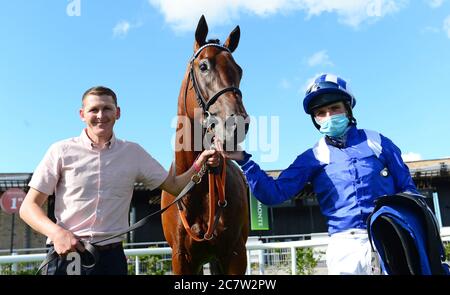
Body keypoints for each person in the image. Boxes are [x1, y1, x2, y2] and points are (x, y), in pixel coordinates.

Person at [221, 73, 419, 275]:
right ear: (315, 119)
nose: (329, 116)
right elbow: (274, 193)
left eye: (335, 108)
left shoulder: (378, 142)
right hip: (344, 248)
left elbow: (409, 191)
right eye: (321, 112)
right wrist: (244, 160)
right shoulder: (313, 156)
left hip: (389, 238)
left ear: (348, 109)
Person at [19, 86, 219, 275]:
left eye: (107, 108)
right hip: (68, 255)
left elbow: (175, 187)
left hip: (112, 259)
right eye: (93, 109)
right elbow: (28, 208)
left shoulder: (134, 153)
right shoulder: (60, 151)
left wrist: (199, 163)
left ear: (118, 113)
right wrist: (56, 233)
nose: (100, 115)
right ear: (82, 115)